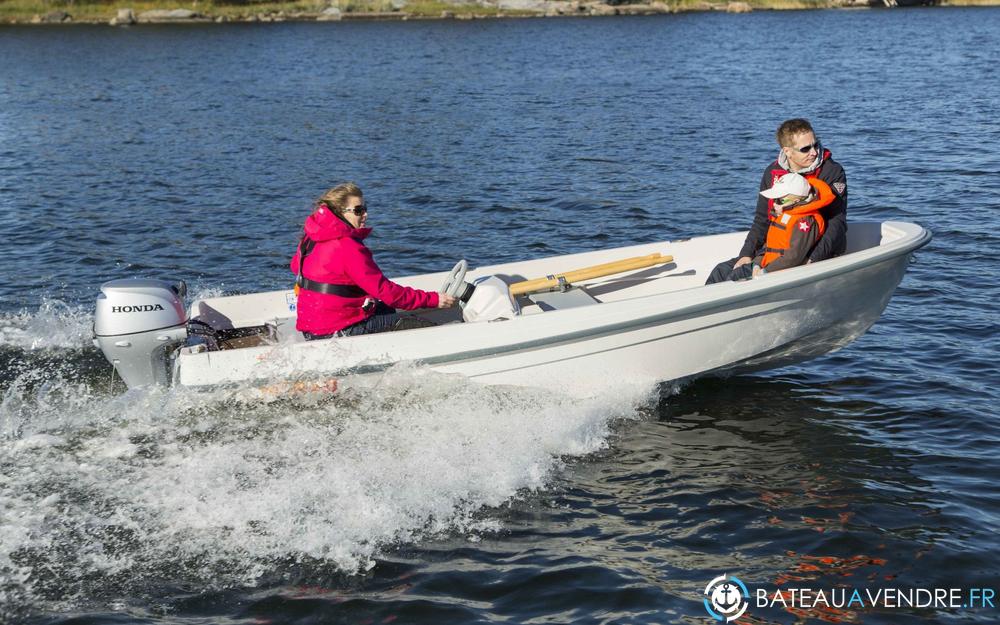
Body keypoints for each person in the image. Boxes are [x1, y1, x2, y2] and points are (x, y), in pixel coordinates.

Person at [291, 183, 457, 340]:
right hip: (337, 330)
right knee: (416, 326)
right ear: (340, 212)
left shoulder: (310, 239)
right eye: (358, 210)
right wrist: (433, 300)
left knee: (385, 309)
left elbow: (296, 267)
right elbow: (387, 292)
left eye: (365, 209)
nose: (365, 214)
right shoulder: (347, 246)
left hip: (310, 328)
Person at [706, 118, 847, 285]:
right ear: (787, 151)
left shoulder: (832, 171)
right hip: (777, 248)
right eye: (806, 149)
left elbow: (836, 223)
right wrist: (746, 254)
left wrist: (813, 260)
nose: (814, 152)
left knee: (740, 279)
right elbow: (761, 220)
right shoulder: (772, 173)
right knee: (721, 271)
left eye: (816, 144)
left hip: (813, 252)